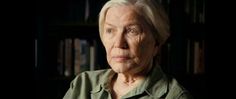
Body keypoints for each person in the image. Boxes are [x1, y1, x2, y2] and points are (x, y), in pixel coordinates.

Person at [63, 0, 193, 99]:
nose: (119, 43)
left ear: (156, 43)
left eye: (132, 31)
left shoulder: (175, 96)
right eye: (110, 30)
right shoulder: (83, 85)